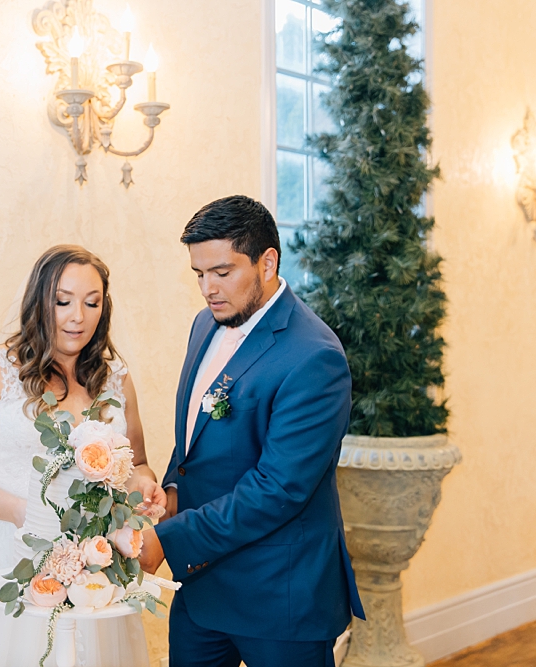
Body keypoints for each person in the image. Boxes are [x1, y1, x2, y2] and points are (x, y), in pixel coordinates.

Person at [0, 244, 165, 667]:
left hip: (92, 564)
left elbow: (136, 462)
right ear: (39, 301)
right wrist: (24, 513)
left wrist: (144, 483)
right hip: (4, 550)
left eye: (92, 303)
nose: (78, 316)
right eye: (63, 301)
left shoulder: (115, 378)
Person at [138, 195, 365, 667]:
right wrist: (173, 491)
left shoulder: (314, 356)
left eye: (222, 272)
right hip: (202, 589)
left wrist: (169, 539)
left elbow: (278, 488)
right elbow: (196, 436)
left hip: (280, 595)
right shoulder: (205, 325)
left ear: (267, 262)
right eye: (199, 274)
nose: (208, 289)